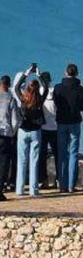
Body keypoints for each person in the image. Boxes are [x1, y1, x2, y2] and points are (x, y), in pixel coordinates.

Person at [54, 64, 82, 192]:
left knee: (62, 153)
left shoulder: (58, 88)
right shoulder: (80, 89)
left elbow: (56, 102)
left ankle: (62, 185)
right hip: (75, 122)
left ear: (66, 73)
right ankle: (71, 185)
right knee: (73, 154)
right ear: (76, 74)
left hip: (61, 122)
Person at [16, 77, 46, 197]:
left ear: (27, 88)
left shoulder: (23, 99)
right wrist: (39, 76)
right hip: (35, 132)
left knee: (21, 161)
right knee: (34, 161)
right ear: (38, 89)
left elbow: (17, 87)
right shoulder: (39, 100)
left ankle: (20, 189)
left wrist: (26, 73)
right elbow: (47, 89)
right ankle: (34, 190)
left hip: (23, 131)